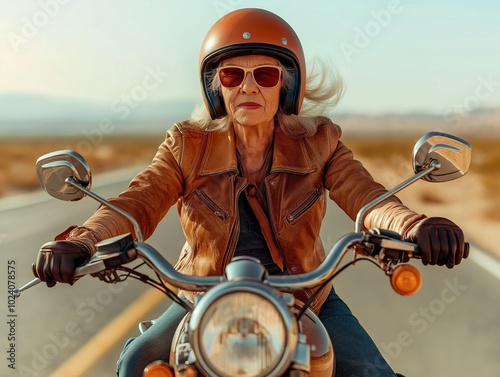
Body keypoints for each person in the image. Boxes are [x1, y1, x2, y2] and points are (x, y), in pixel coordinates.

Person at [33, 8, 466, 377]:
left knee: (373, 372)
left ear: (287, 84)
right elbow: (136, 203)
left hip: (305, 297)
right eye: (232, 74)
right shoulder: (186, 145)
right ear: (216, 87)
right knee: (135, 364)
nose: (249, 86)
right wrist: (80, 241)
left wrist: (416, 225)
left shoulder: (321, 142)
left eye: (264, 73)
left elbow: (367, 197)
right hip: (203, 297)